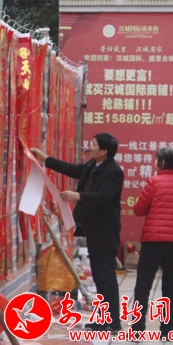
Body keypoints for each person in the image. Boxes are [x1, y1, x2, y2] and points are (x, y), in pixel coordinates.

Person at [32, 133, 124, 332]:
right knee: (99, 277)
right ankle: (102, 320)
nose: (90, 146)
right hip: (93, 228)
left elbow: (104, 196)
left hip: (106, 231)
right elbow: (71, 169)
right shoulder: (92, 166)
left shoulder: (114, 172)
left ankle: (113, 322)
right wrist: (45, 158)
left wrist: (77, 195)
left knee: (106, 277)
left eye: (94, 144)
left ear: (104, 151)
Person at [132, 147, 173, 337]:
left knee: (143, 285)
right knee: (170, 286)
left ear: (162, 163)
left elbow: (139, 210)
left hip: (153, 241)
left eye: (156, 160)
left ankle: (137, 329)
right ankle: (167, 330)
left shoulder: (154, 182)